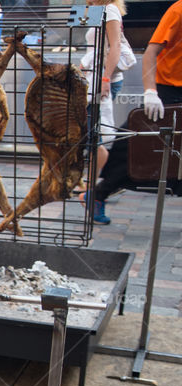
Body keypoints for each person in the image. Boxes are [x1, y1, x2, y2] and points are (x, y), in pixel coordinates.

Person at [90, 0, 182, 217]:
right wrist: (150, 92)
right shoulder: (178, 10)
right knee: (135, 141)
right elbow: (150, 52)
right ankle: (98, 193)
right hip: (168, 90)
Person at [78, 0, 126, 225]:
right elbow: (98, 47)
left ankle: (92, 192)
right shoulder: (98, 10)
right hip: (94, 79)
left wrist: (105, 78)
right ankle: (90, 190)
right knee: (92, 136)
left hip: (102, 81)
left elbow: (115, 46)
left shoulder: (110, 10)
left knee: (99, 138)